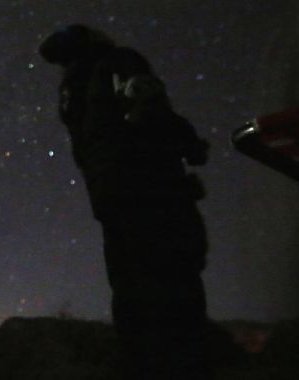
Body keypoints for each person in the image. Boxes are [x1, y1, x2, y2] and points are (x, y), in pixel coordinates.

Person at [39, 24, 210, 380]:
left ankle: (141, 365)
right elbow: (146, 100)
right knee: (176, 281)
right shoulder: (116, 62)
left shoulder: (73, 91)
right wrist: (189, 144)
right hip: (152, 186)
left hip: (109, 196)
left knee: (131, 287)